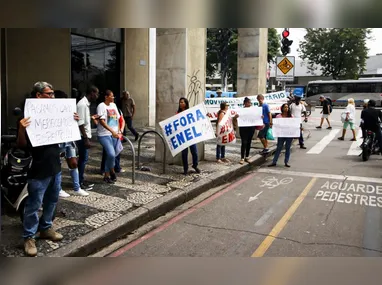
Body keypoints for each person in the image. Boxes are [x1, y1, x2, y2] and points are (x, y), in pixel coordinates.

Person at [17, 81, 79, 257]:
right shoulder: (27, 116)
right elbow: (21, 145)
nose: (52, 96)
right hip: (38, 169)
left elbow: (67, 136)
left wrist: (73, 122)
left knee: (52, 201)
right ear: (38, 95)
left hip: (55, 167)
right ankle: (29, 237)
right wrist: (21, 129)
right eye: (49, 94)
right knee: (34, 205)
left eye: (52, 94)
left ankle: (45, 228)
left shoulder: (56, 113)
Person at [54, 90, 90, 197]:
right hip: (59, 140)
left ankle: (76, 187)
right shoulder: (53, 112)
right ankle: (58, 189)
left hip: (69, 140)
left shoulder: (69, 111)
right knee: (58, 164)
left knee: (74, 163)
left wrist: (75, 119)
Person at [76, 86, 99, 190]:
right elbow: (80, 123)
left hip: (84, 136)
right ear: (91, 93)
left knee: (83, 159)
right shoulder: (82, 104)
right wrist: (85, 138)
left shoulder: (86, 104)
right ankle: (79, 182)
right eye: (96, 93)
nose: (97, 96)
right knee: (82, 160)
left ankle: (81, 179)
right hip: (81, 137)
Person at [97, 90, 121, 183]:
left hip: (114, 134)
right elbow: (102, 121)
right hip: (104, 134)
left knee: (111, 155)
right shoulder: (101, 106)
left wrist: (118, 131)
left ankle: (107, 175)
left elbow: (117, 119)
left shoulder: (114, 105)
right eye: (111, 96)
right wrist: (112, 131)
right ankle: (111, 171)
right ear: (106, 97)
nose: (113, 97)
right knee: (111, 154)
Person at [177, 97, 201, 175]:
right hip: (183, 137)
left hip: (190, 135)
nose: (181, 104)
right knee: (184, 154)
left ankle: (195, 165)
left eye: (182, 102)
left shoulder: (190, 112)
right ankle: (185, 169)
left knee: (194, 152)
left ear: (186, 103)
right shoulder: (177, 113)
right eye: (180, 102)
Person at [100, 107, 126, 174]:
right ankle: (105, 169)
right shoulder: (107, 110)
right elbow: (109, 123)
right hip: (109, 134)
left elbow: (122, 120)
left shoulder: (118, 111)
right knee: (108, 152)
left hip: (117, 133)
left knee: (117, 151)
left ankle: (116, 167)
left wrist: (121, 130)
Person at [239, 97, 256, 164]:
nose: (250, 104)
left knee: (249, 142)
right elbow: (236, 118)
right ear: (245, 103)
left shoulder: (253, 110)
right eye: (249, 102)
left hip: (251, 128)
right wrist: (236, 117)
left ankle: (247, 156)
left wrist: (260, 117)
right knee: (244, 142)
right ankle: (242, 158)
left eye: (250, 103)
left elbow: (256, 117)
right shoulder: (241, 110)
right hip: (243, 128)